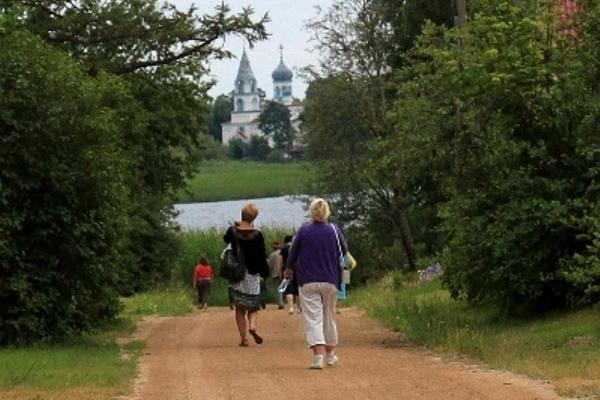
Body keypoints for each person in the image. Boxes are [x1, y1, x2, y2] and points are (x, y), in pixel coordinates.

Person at [284, 198, 347, 369]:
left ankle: (318, 356)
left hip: (308, 280)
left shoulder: (304, 230)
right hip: (331, 280)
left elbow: (293, 253)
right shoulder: (335, 230)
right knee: (329, 316)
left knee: (313, 318)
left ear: (311, 212)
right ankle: (330, 355)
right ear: (327, 212)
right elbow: (345, 252)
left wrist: (288, 269)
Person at [224, 203, 270, 347]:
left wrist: (234, 226)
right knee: (254, 304)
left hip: (237, 274)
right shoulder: (258, 234)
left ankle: (244, 338)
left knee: (240, 307)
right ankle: (253, 325)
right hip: (253, 273)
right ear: (254, 217)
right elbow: (262, 256)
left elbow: (225, 239)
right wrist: (264, 274)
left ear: (242, 214)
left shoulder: (233, 231)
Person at [280, 235, 300, 314]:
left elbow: (281, 261)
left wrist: (281, 271)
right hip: (298, 270)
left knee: (289, 289)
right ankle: (299, 308)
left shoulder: (284, 249)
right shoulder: (298, 248)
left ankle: (291, 307)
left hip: (288, 269)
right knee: (298, 288)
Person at [267, 240, 284, 309]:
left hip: (275, 274)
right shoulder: (282, 253)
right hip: (283, 273)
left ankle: (280, 303)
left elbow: (270, 265)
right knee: (284, 288)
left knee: (278, 289)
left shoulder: (271, 255)